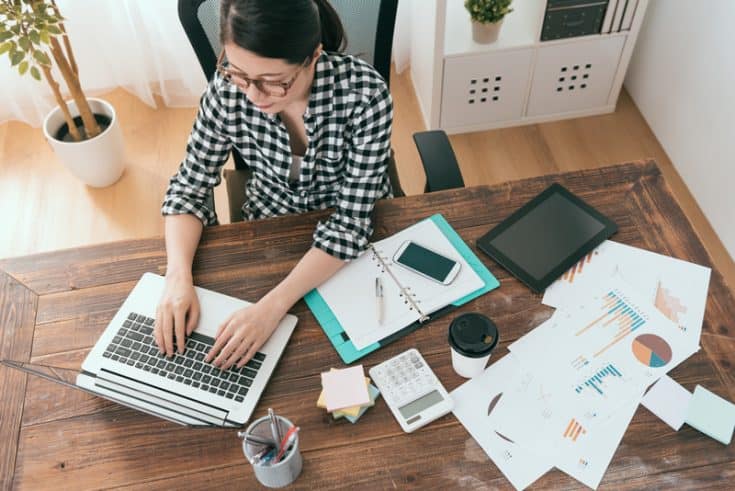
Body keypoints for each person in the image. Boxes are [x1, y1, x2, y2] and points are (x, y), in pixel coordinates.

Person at [155, 0, 393, 370]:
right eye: (237, 72)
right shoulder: (227, 91)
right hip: (270, 234)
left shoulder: (366, 96)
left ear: (313, 56)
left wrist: (272, 307)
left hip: (348, 255)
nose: (252, 95)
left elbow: (350, 225)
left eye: (274, 82)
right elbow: (188, 187)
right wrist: (176, 277)